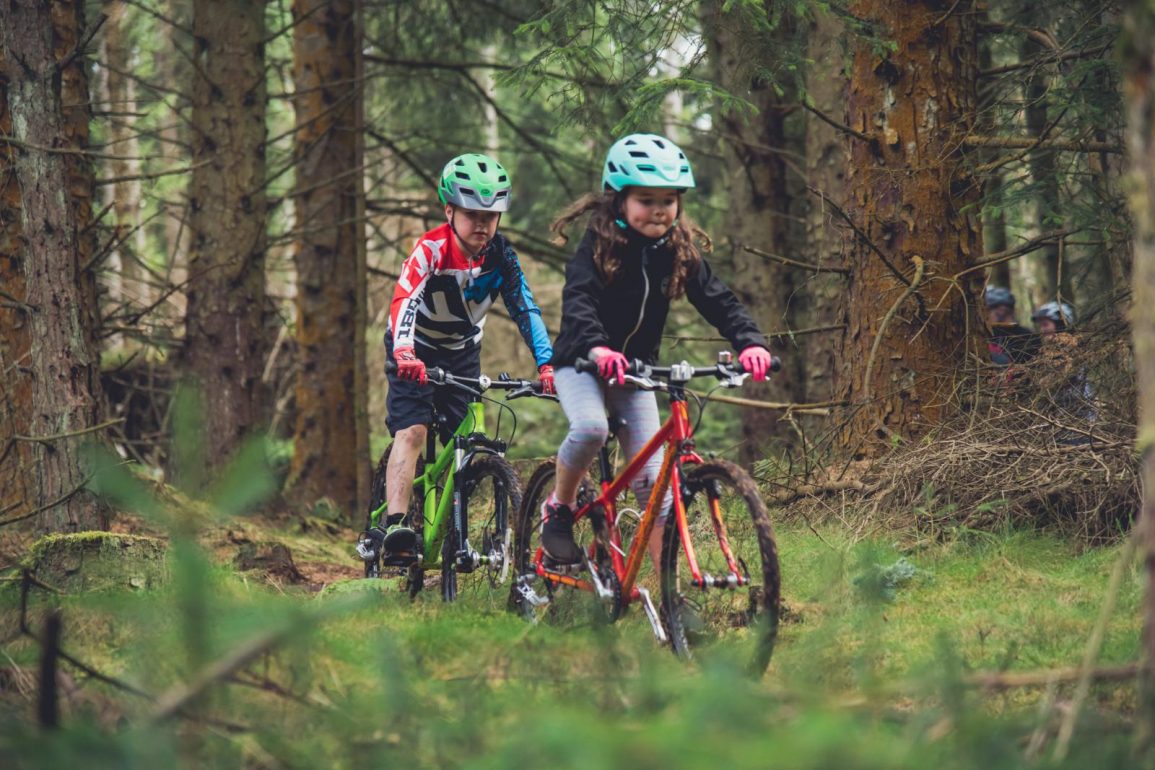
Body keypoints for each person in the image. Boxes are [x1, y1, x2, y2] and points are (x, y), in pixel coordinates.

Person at [539, 133, 775, 565]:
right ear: (619, 200)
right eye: (646, 200)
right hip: (581, 362)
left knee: (656, 490)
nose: (660, 209)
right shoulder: (598, 245)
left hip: (635, 371)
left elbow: (719, 301)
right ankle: (559, 507)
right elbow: (579, 300)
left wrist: (751, 344)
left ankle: (670, 592)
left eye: (669, 200)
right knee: (590, 428)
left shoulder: (677, 250)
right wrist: (597, 348)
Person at [364, 153, 554, 560]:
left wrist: (547, 364)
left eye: (491, 216)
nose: (482, 224)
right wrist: (404, 351)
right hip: (414, 347)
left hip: (461, 352)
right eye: (471, 214)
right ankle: (395, 526)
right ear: (449, 211)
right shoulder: (430, 250)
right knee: (413, 431)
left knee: (463, 442)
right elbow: (404, 299)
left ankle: (453, 530)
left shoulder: (501, 257)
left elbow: (525, 309)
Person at [985, 286, 1039, 366]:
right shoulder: (1030, 335)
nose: (985, 315)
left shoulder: (1028, 337)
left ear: (1000, 311)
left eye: (987, 310)